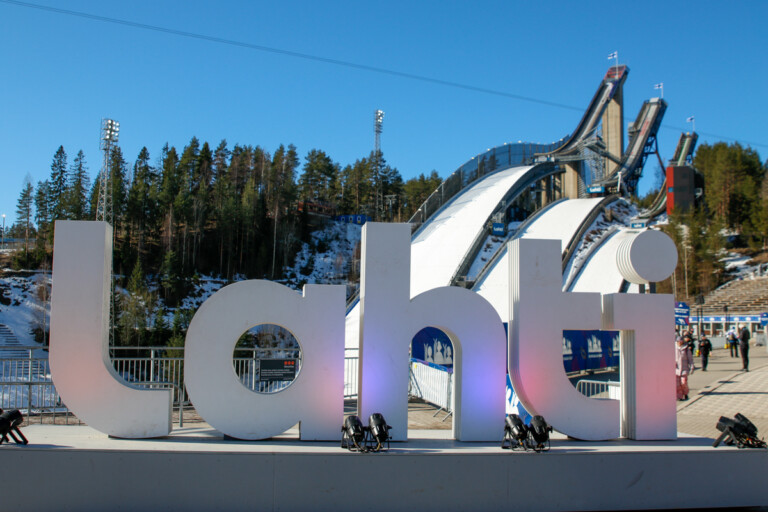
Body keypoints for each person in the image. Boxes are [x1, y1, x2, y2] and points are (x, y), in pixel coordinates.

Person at [676, 335, 694, 401]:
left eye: (680, 341)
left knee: (683, 382)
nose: (679, 343)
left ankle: (685, 393)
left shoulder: (686, 349)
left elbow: (690, 359)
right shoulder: (674, 348)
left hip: (684, 368)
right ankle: (679, 396)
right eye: (678, 341)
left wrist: (692, 366)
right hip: (676, 369)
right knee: (677, 384)